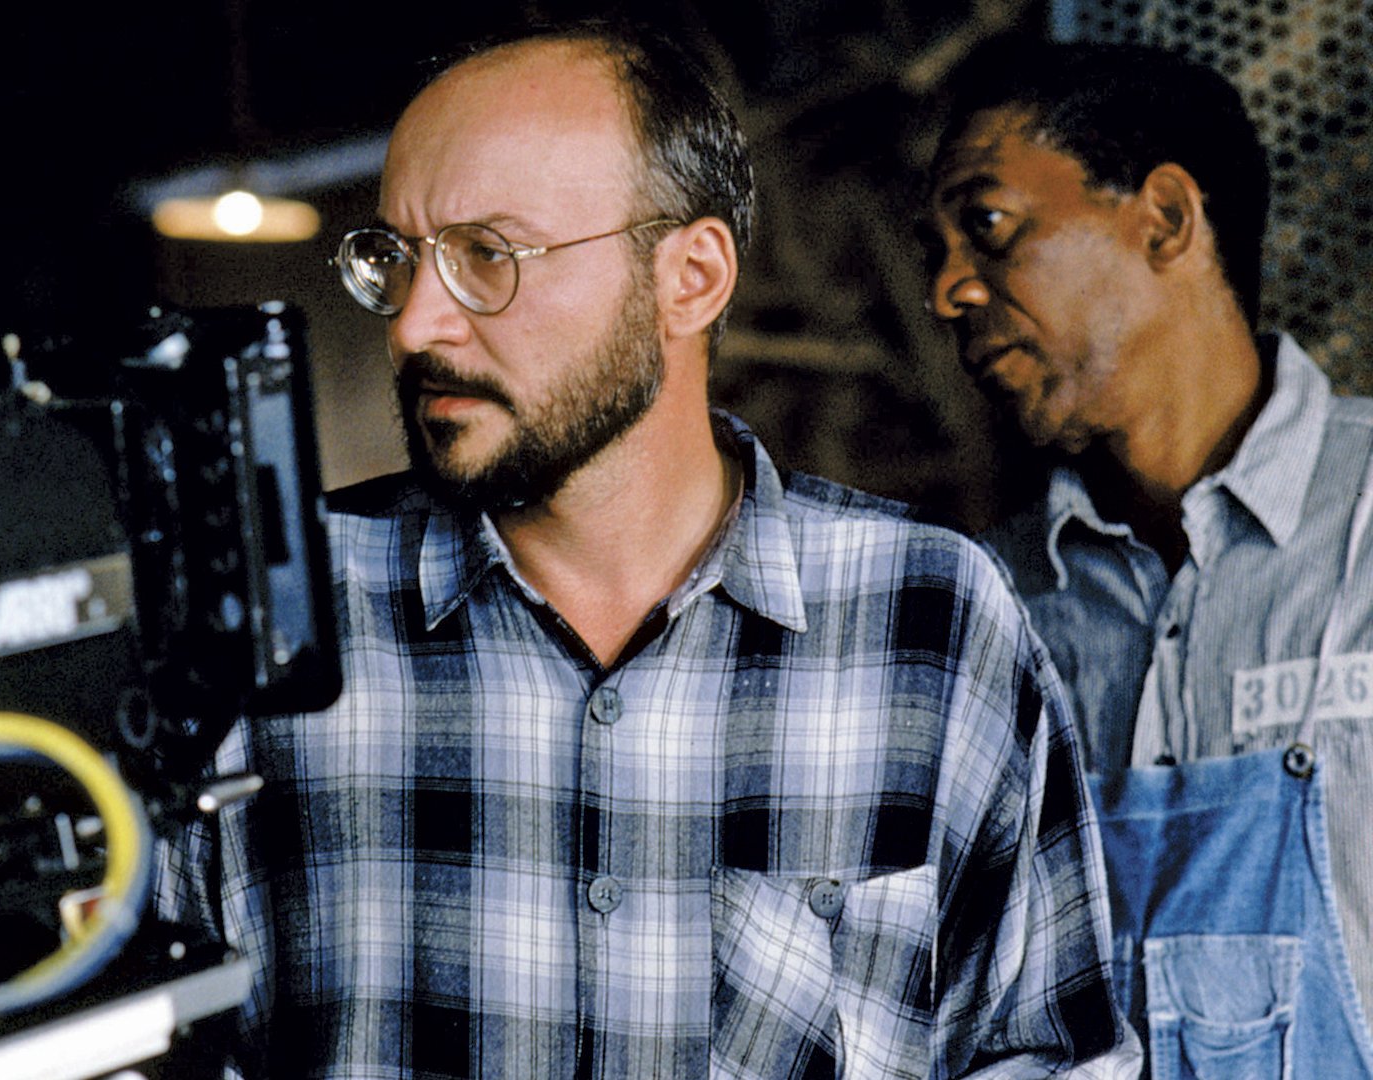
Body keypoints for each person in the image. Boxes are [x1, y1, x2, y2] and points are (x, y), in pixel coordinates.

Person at [158, 18, 1136, 1077]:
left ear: (691, 277)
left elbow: (1051, 1054)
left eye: (488, 255)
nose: (414, 323)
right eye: (396, 258)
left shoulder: (932, 621)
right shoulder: (265, 623)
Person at [924, 41, 1373, 1076]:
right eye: (935, 251)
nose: (950, 290)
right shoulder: (984, 617)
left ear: (1165, 219)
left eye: (987, 227)